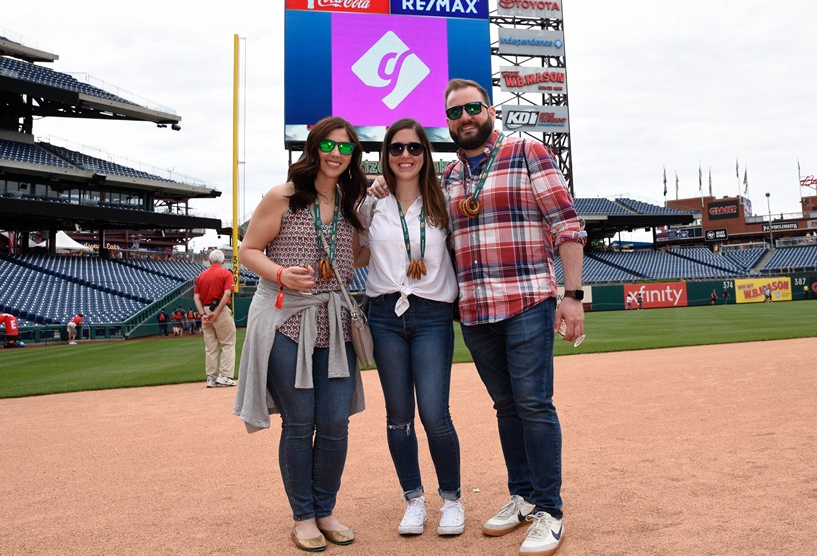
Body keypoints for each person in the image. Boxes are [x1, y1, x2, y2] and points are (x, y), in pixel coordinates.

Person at [438, 79, 585, 556]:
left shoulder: (527, 151)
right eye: (455, 113)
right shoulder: (448, 177)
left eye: (473, 108)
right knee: (505, 406)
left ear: (491, 110)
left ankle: (550, 510)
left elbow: (566, 224)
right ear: (448, 122)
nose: (465, 118)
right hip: (476, 311)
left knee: (534, 404)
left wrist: (573, 295)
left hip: (526, 300)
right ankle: (523, 495)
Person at [234, 116, 368, 551]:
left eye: (345, 148)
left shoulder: (352, 199)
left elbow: (360, 254)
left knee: (334, 422)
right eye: (328, 146)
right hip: (285, 317)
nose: (336, 154)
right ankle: (304, 517)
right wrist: (279, 273)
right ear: (313, 148)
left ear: (353, 156)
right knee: (301, 421)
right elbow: (247, 250)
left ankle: (326, 510)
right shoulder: (283, 196)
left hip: (335, 319)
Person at [360, 119, 464, 537]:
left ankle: (452, 499)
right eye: (397, 148)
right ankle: (414, 499)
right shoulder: (371, 204)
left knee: (435, 414)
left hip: (432, 314)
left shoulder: (444, 201)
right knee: (398, 415)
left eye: (414, 148)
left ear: (426, 154)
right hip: (385, 314)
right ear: (386, 154)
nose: (405, 156)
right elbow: (353, 251)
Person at [194, 250, 237, 388]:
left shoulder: (201, 275)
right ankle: (224, 376)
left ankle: (211, 379)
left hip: (205, 310)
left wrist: (202, 314)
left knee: (210, 347)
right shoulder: (226, 273)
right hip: (221, 310)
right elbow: (226, 294)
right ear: (223, 261)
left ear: (209, 260)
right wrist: (217, 312)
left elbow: (196, 297)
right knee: (227, 344)